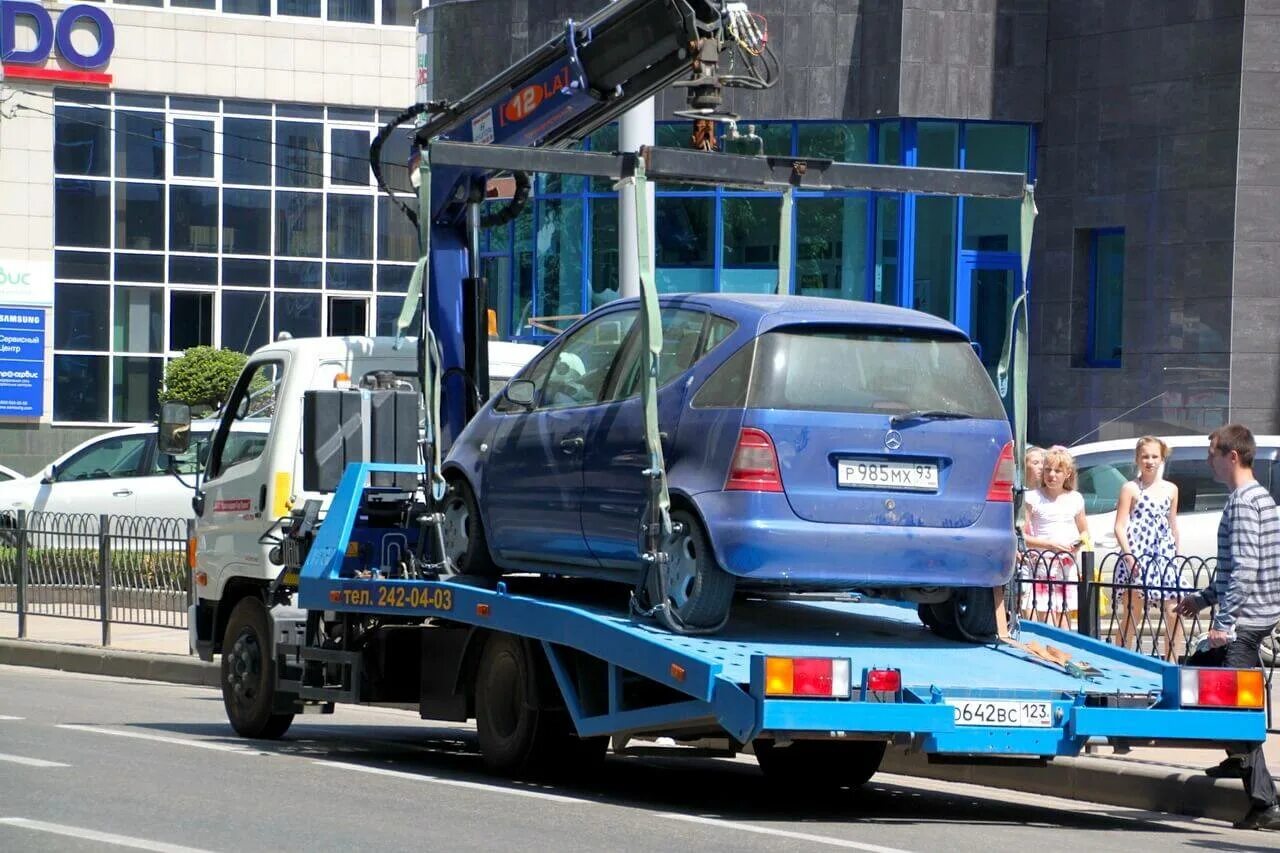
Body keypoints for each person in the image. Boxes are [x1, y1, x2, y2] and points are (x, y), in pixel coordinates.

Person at [1178, 424, 1280, 831]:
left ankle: (1264, 803)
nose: (1209, 461)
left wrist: (1223, 622)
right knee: (1199, 669)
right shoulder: (1262, 499)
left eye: (1212, 454)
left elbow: (1245, 569)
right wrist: (1201, 600)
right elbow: (1237, 569)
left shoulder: (1242, 502)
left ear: (1231, 456)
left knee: (1232, 705)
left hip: (1244, 621)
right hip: (1257, 615)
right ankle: (1238, 756)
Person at [1113, 437, 1183, 660]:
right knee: (1133, 613)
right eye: (1145, 456)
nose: (1150, 461)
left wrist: (1176, 555)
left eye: (1154, 456)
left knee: (1174, 608)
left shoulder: (1171, 489)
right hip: (1137, 554)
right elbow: (1120, 526)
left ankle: (1171, 662)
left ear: (1162, 459)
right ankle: (1122, 660)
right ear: (1137, 459)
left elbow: (1173, 524)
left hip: (1163, 555)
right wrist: (1129, 556)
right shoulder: (1131, 488)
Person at [1022, 448, 1088, 628]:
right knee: (1041, 617)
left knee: (1063, 618)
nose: (1051, 475)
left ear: (1067, 474)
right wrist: (1050, 545)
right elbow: (1022, 535)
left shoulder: (1075, 498)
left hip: (1065, 565)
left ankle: (1062, 654)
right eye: (1047, 470)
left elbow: (1084, 531)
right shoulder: (1032, 498)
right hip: (1040, 565)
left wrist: (1077, 544)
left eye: (1057, 471)